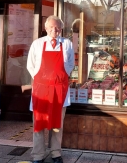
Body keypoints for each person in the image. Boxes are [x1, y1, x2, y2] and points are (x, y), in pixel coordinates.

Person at [27, 15, 75, 163]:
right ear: (46, 28)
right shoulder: (37, 44)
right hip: (41, 90)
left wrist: (59, 77)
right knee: (39, 124)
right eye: (52, 27)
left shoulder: (67, 44)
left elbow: (70, 64)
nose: (55, 30)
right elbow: (31, 65)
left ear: (61, 29)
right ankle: (38, 155)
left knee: (57, 125)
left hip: (59, 91)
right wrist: (43, 79)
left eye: (57, 27)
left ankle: (56, 153)